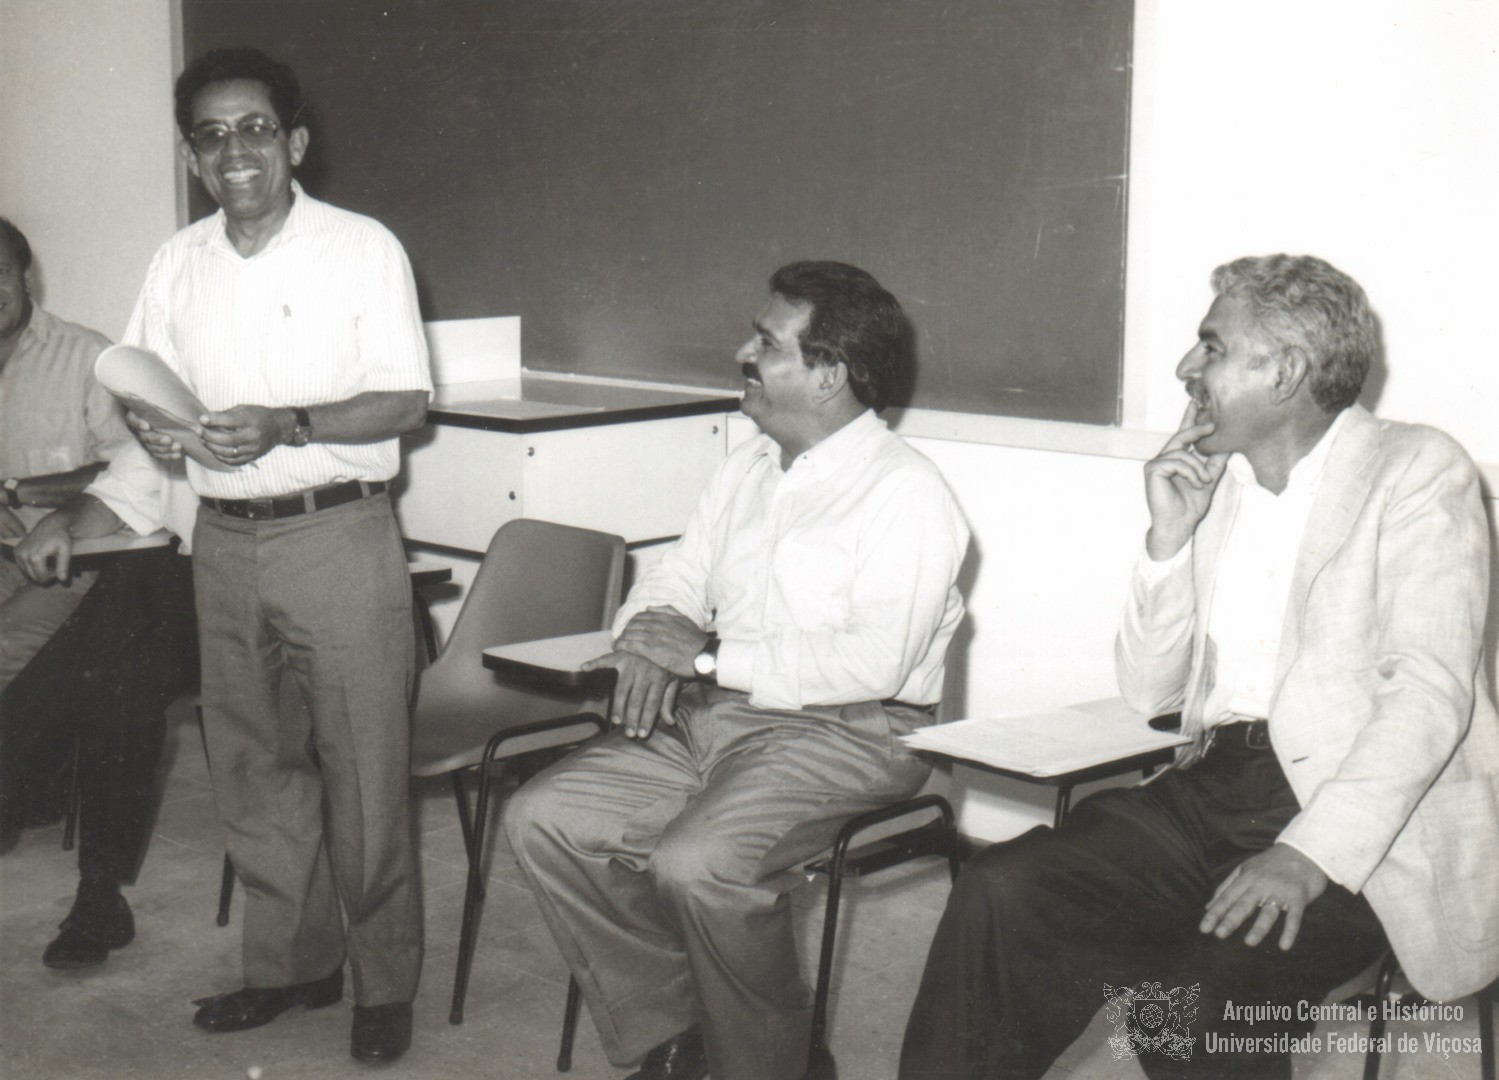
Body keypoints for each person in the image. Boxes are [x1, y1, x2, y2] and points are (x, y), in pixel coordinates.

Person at [899, 254, 1499, 1080]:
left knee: (1192, 1006)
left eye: (1210, 346)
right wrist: (1167, 542)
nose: (1187, 368)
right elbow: (1151, 693)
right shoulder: (1216, 482)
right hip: (1213, 782)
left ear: (1284, 371)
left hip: (1360, 812)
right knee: (1003, 889)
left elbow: (1426, 697)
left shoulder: (1416, 470)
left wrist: (1309, 854)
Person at [504, 261, 970, 1080]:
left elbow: (873, 662)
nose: (742, 354)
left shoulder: (907, 492)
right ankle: (678, 1032)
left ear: (827, 374)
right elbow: (678, 577)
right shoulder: (749, 463)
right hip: (722, 711)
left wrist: (702, 657)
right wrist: (646, 638)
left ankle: (775, 1064)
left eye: (766, 342)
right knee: (545, 817)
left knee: (699, 864)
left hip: (855, 733)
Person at [121, 47, 432, 1064]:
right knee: (254, 768)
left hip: (335, 533)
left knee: (363, 772)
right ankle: (291, 965)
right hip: (223, 541)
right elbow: (142, 380)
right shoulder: (177, 262)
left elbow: (404, 400)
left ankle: (382, 983)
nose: (234, 151)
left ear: (293, 142)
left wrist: (287, 424)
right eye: (211, 136)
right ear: (192, 157)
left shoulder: (362, 248)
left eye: (254, 128)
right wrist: (155, 426)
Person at [3, 441, 199, 969]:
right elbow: (124, 488)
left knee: (108, 660)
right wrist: (61, 522)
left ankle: (13, 786)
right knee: (116, 679)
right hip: (179, 574)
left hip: (258, 586)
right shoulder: (183, 400)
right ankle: (98, 894)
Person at [0, 216, 133, 691]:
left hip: (75, 562)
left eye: (0, 272)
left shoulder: (87, 354)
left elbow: (130, 470)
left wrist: (15, 492)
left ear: (26, 278)